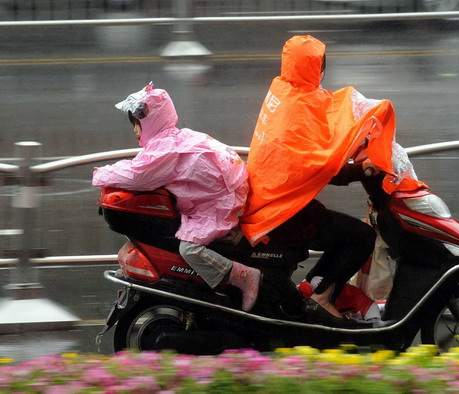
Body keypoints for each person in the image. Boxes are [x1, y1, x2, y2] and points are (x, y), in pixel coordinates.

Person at [240, 35, 404, 325]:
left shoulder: (283, 89)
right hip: (281, 211)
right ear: (316, 68)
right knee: (360, 236)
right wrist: (363, 170)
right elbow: (328, 169)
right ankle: (321, 295)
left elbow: (329, 114)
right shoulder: (302, 105)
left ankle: (312, 289)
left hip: (269, 199)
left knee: (334, 226)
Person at [92, 83, 261, 312]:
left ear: (150, 122)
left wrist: (101, 174)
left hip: (218, 201)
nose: (135, 131)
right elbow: (141, 166)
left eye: (137, 125)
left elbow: (138, 175)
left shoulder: (166, 149)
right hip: (219, 193)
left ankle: (243, 276)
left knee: (189, 249)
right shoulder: (174, 138)